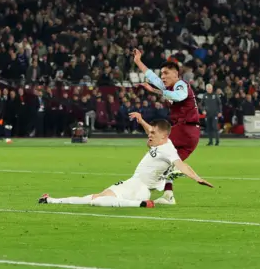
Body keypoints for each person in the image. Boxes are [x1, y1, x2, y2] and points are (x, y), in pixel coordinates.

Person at [39, 114, 213, 208]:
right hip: (134, 184)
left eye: (153, 133)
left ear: (164, 136)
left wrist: (197, 178)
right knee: (95, 197)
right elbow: (150, 131)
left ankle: (141, 205)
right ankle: (52, 201)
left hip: (140, 189)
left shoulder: (168, 149)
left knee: (98, 201)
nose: (149, 135)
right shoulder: (160, 142)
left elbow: (182, 165)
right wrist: (141, 120)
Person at [132, 49, 200, 205]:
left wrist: (156, 90)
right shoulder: (168, 86)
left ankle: (141, 187)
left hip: (185, 129)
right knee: (168, 163)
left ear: (176, 74)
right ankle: (168, 194)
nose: (163, 76)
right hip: (191, 135)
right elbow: (152, 76)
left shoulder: (181, 85)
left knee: (155, 147)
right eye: (162, 73)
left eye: (166, 73)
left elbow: (179, 97)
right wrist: (138, 61)